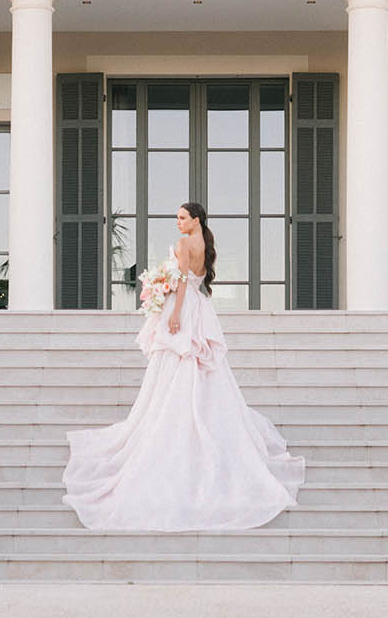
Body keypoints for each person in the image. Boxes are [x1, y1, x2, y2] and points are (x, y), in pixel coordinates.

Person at [62, 200, 306, 530]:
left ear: (195, 219)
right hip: (201, 305)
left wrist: (173, 313)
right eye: (176, 218)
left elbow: (179, 281)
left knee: (179, 356)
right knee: (199, 362)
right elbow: (193, 278)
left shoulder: (184, 243)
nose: (178, 222)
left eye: (182, 218)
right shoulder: (204, 241)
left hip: (185, 306)